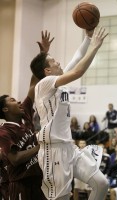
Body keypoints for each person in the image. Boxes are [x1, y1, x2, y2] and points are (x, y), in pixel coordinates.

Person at [30, 27, 109, 200]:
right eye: (54, 61)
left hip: (69, 148)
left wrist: (88, 38)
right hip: (53, 151)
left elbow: (76, 58)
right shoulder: (44, 84)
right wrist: (95, 47)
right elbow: (78, 71)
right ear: (47, 71)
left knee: (101, 183)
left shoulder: (56, 82)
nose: (58, 62)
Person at [0, 30, 53, 200]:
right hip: (20, 184)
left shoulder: (25, 113)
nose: (17, 102)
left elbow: (33, 84)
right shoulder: (4, 132)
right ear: (5, 110)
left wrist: (43, 54)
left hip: (38, 179)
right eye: (12, 100)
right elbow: (14, 159)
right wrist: (40, 146)